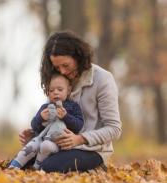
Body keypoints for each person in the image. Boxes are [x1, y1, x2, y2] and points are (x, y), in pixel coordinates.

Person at [19, 30, 122, 173]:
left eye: (66, 65)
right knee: (21, 161)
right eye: (57, 67)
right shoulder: (60, 82)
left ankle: (97, 168)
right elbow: (55, 121)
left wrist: (80, 139)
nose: (62, 72)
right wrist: (36, 133)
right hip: (56, 144)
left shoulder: (103, 79)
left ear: (78, 56)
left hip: (91, 150)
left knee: (49, 167)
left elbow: (114, 128)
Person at [9, 73, 83, 170]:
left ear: (68, 90)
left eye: (60, 90)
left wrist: (66, 117)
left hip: (59, 143)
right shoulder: (45, 107)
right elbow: (34, 125)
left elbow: (79, 125)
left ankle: (37, 167)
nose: (55, 92)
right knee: (31, 145)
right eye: (51, 90)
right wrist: (40, 118)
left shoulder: (73, 107)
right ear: (48, 92)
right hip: (42, 137)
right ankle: (14, 165)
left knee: (46, 146)